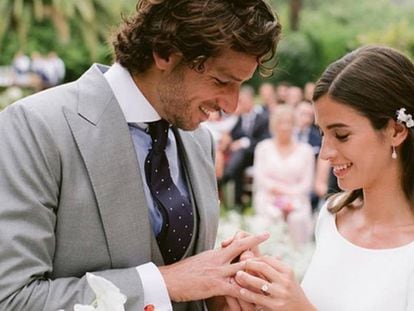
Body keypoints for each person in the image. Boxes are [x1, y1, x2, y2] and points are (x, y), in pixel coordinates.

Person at [0, 0, 281, 310]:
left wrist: (219, 292)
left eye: (241, 85)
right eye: (221, 81)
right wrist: (164, 283)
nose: (231, 104)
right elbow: (12, 298)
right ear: (164, 52)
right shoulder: (35, 127)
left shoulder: (199, 141)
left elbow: (184, 287)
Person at [231, 45, 414, 310]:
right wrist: (263, 289)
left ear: (395, 131)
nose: (325, 153)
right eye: (322, 133)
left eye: (341, 135)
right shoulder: (331, 216)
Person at [253, 105, 314, 246]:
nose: (285, 127)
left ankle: (298, 256)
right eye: (281, 122)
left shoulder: (306, 151)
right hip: (269, 196)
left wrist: (289, 198)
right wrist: (277, 193)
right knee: (271, 215)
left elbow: (306, 183)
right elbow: (260, 178)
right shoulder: (263, 148)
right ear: (274, 125)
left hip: (297, 198)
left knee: (297, 218)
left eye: (289, 122)